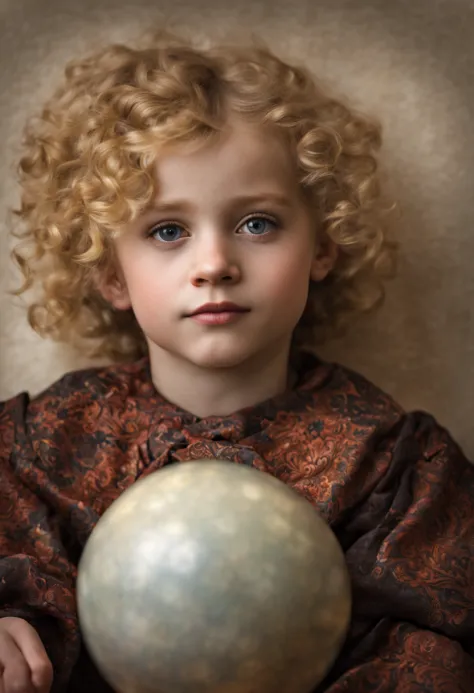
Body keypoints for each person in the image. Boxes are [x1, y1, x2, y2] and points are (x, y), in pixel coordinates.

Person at [0, 26, 472, 693]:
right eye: (168, 231)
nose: (215, 264)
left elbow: (430, 639)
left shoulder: (393, 465)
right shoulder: (38, 449)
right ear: (110, 272)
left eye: (258, 223)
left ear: (322, 246)